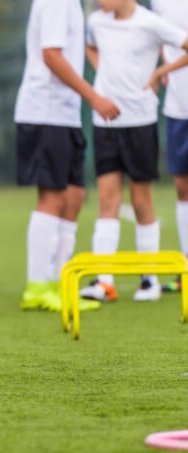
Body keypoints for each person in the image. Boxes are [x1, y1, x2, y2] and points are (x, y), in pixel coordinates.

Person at [14, 0, 120, 312]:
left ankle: (61, 283)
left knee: (73, 197)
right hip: (44, 112)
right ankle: (37, 286)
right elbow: (51, 56)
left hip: (66, 116)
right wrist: (94, 97)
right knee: (52, 198)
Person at [80, 0, 188, 303]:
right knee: (107, 199)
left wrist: (161, 71)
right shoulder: (97, 23)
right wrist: (104, 74)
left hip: (141, 122)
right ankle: (104, 282)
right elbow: (91, 47)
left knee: (142, 199)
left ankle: (149, 280)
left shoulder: (150, 22)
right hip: (106, 123)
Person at [151, 0, 188, 293]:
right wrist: (164, 65)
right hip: (177, 107)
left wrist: (163, 68)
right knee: (182, 187)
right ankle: (185, 270)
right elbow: (162, 37)